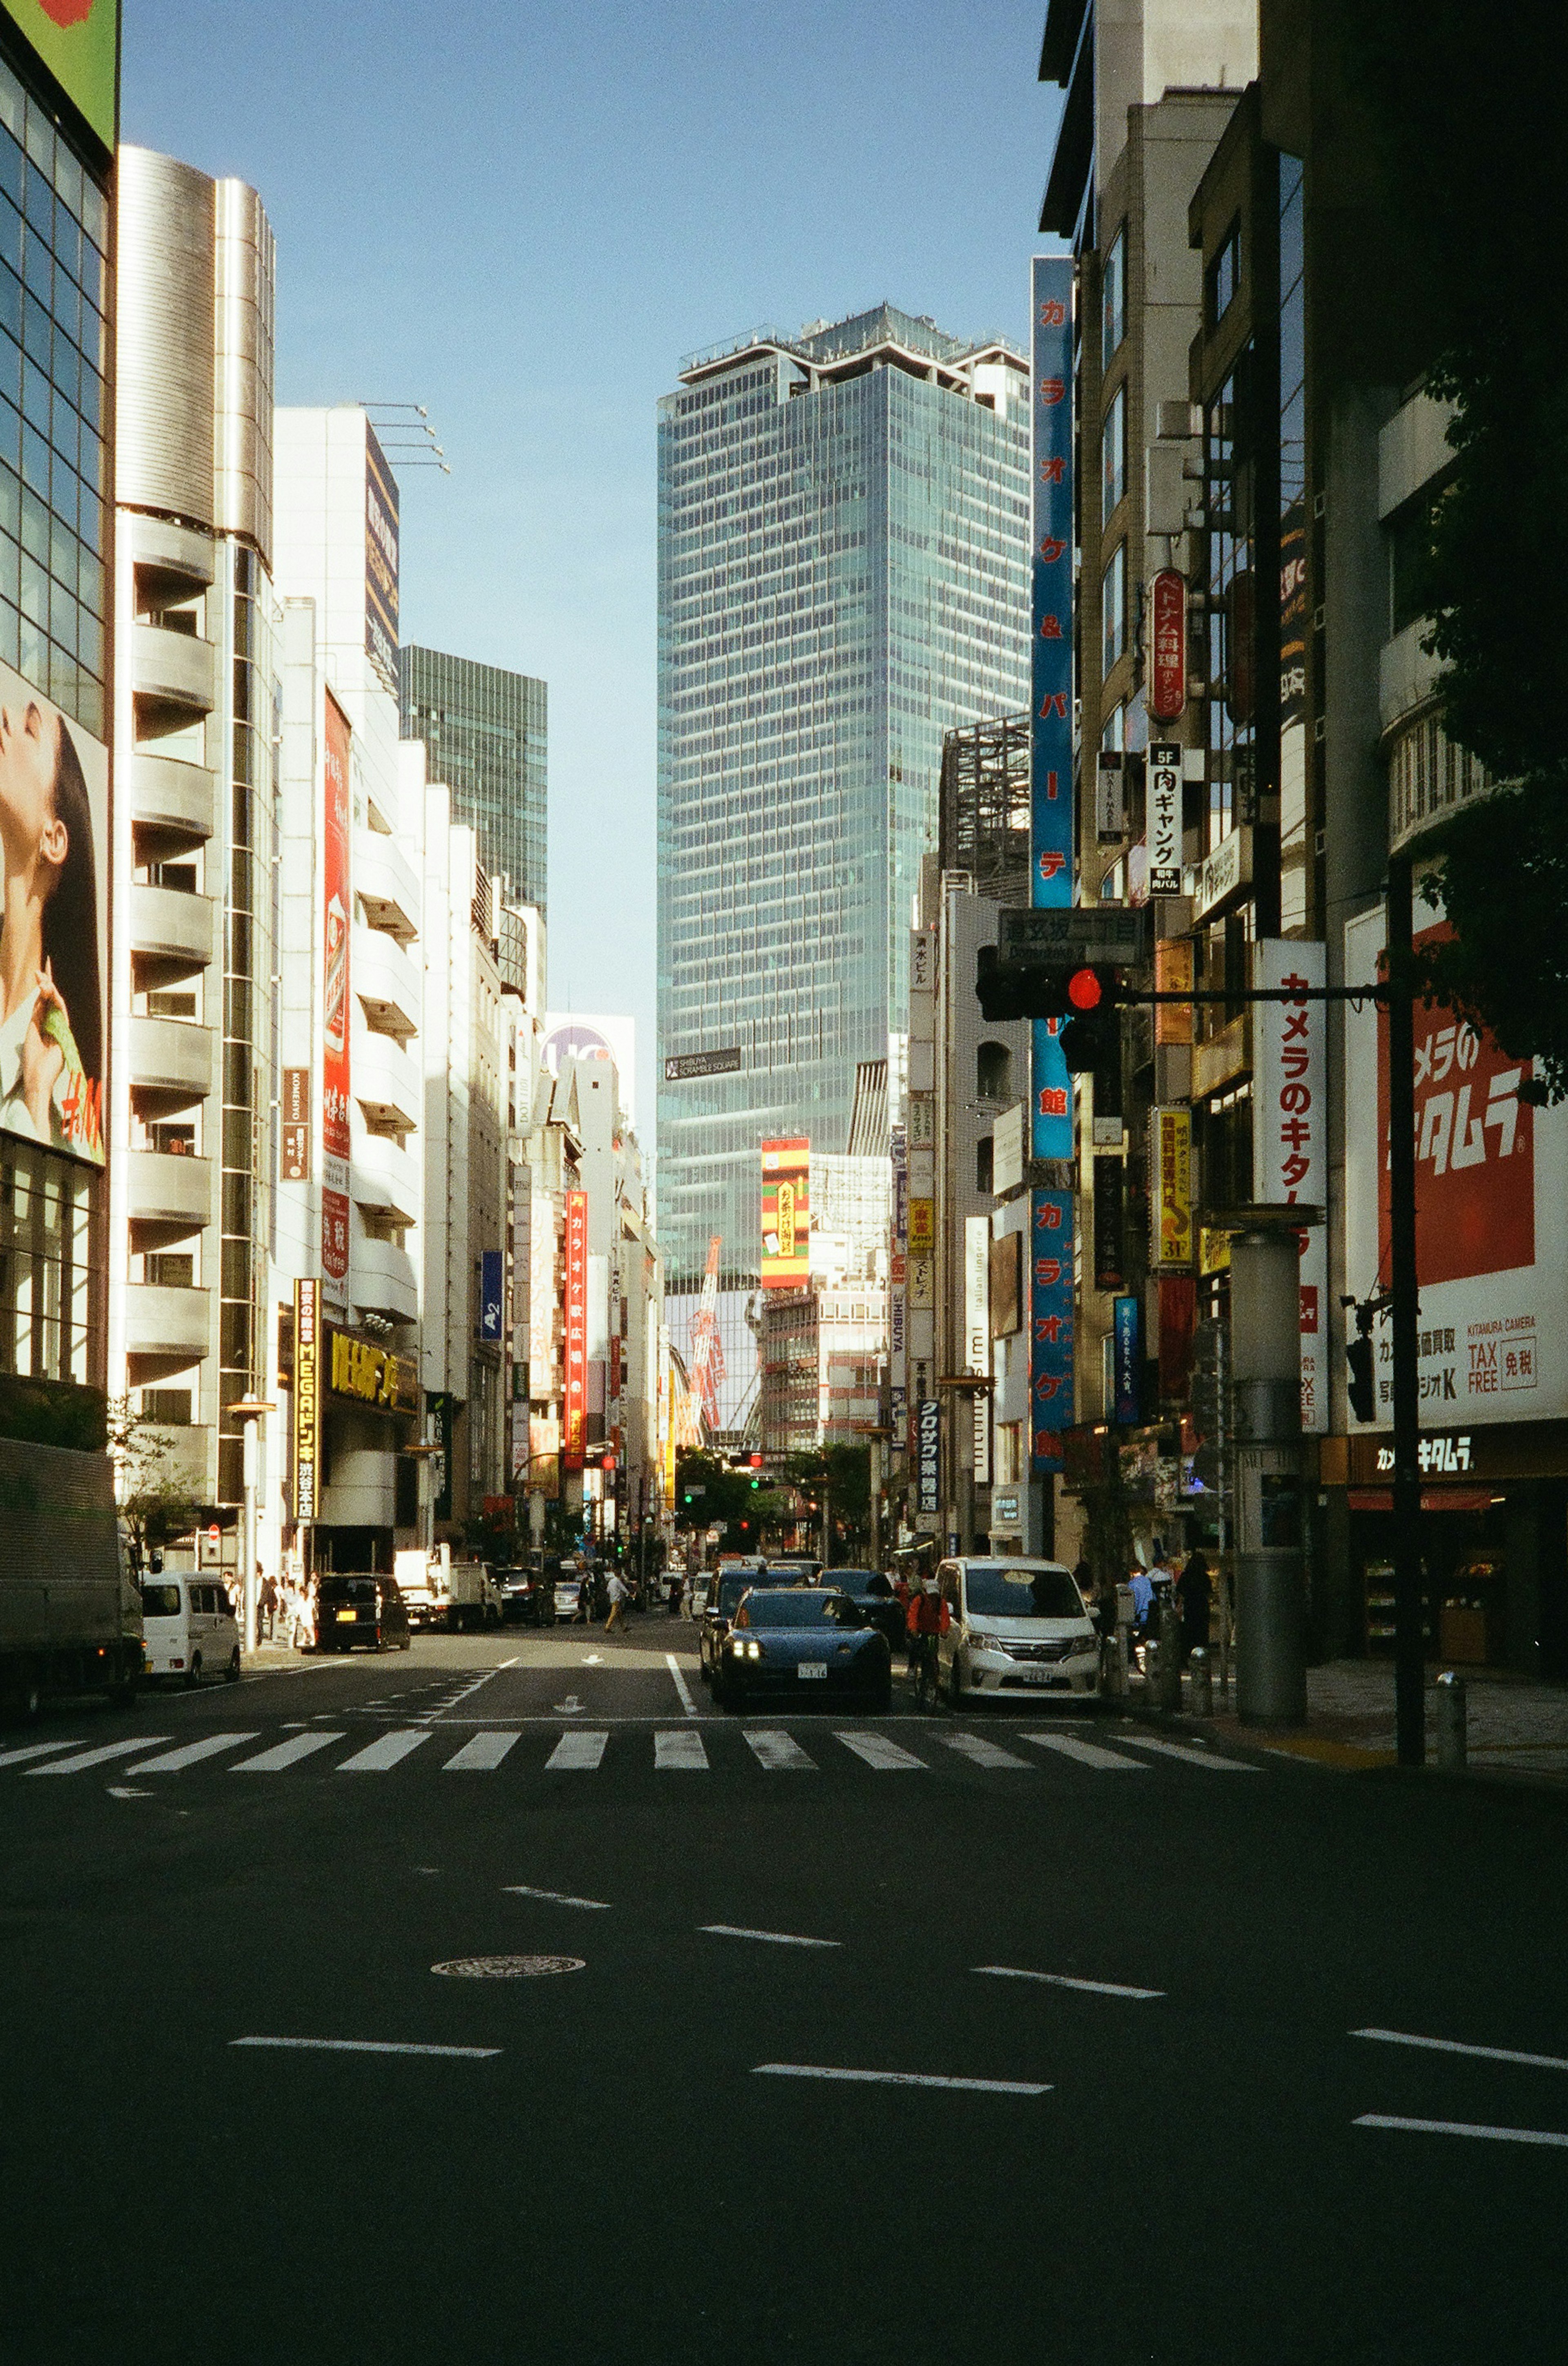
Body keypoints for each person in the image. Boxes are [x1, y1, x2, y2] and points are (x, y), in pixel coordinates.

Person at [0, 687, 103, 1159]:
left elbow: (61, 1222)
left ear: (54, 840)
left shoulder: (62, 1068)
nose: (6, 717)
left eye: (30, 728)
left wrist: (39, 1096)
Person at [905, 1576, 950, 1703]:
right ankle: (912, 1667)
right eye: (931, 1595)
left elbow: (945, 1618)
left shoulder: (941, 1603)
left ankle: (933, 1674)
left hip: (933, 1631)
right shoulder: (919, 1600)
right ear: (925, 1592)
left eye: (935, 1595)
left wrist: (944, 1631)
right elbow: (913, 1615)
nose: (933, 1598)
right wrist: (913, 1629)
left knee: (933, 1653)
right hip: (920, 1630)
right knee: (915, 1648)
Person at [1176, 1547, 1212, 1662]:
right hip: (1202, 1607)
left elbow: (1180, 1592)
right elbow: (1209, 1593)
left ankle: (1189, 1656)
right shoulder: (1205, 1577)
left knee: (1190, 1633)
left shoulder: (1186, 1576)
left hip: (1190, 1607)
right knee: (1202, 1633)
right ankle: (1202, 1656)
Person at [604, 1568, 630, 1634]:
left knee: (619, 1614)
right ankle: (607, 1627)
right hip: (617, 1599)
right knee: (613, 1613)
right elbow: (623, 1588)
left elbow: (608, 1590)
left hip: (612, 1598)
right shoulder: (618, 1581)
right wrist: (629, 1594)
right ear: (620, 1575)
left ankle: (623, 1627)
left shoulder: (611, 1581)